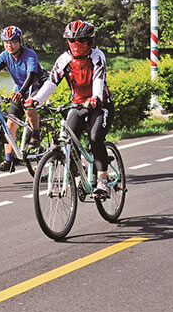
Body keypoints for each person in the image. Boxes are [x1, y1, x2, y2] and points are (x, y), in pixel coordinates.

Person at [24, 20, 115, 198]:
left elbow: (98, 79)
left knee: (95, 139)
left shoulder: (97, 56)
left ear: (89, 41)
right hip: (78, 104)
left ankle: (103, 181)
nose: (75, 44)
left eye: (80, 40)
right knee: (68, 142)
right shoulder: (64, 59)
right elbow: (51, 82)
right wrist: (36, 100)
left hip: (100, 104)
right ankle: (80, 177)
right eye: (71, 40)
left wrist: (95, 97)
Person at [0, 26, 46, 170]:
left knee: (29, 108)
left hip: (36, 84)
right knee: (10, 122)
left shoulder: (30, 55)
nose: (9, 45)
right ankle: (9, 160)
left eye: (13, 42)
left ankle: (36, 135)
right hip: (20, 87)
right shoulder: (4, 56)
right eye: (6, 42)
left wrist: (21, 93)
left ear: (20, 42)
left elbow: (30, 76)